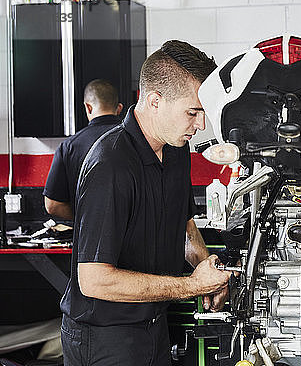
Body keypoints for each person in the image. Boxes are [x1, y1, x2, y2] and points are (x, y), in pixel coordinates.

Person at [60, 40, 231, 366]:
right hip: (104, 337)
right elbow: (94, 279)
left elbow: (184, 224)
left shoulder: (177, 150)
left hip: (153, 328)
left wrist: (206, 269)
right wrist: (190, 286)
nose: (201, 125)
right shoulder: (110, 164)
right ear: (154, 101)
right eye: (193, 112)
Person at [43, 79, 123, 220]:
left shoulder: (70, 146)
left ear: (88, 107)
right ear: (119, 108)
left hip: (87, 239)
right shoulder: (139, 141)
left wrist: (87, 219)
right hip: (135, 238)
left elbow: (53, 205)